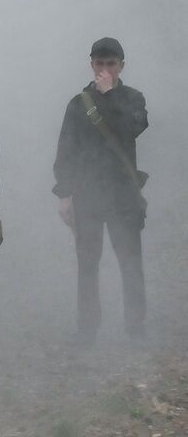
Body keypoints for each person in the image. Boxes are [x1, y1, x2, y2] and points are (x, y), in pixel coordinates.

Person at [52, 36, 148, 345]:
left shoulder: (133, 98)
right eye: (99, 64)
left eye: (110, 64)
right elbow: (66, 149)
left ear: (121, 66)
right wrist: (64, 194)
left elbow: (134, 127)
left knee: (130, 263)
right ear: (91, 64)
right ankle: (87, 330)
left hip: (123, 195)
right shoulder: (78, 103)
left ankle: (136, 329)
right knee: (88, 265)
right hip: (88, 195)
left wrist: (111, 97)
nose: (104, 69)